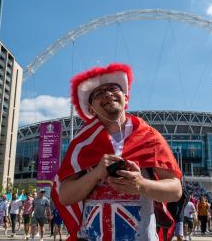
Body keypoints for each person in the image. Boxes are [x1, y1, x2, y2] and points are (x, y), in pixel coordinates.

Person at [52, 63, 182, 241]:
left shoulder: (150, 137)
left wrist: (141, 185)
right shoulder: (81, 144)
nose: (107, 94)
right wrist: (96, 173)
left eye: (113, 88)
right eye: (98, 94)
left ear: (125, 98)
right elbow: (65, 196)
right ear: (91, 109)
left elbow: (175, 190)